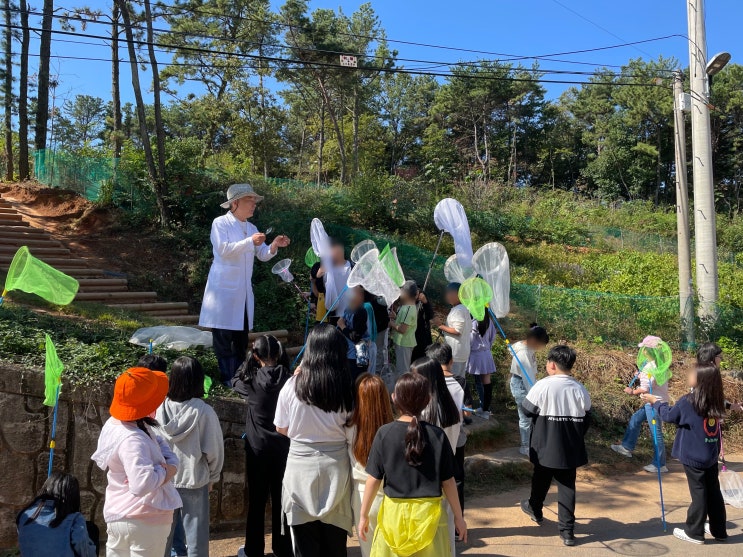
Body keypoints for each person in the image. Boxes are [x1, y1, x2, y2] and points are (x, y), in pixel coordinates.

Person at [357, 373, 467, 556]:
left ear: (394, 397)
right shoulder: (438, 435)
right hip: (430, 517)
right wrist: (458, 517)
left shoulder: (384, 433)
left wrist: (363, 515)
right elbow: (448, 482)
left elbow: (373, 479)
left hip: (394, 516)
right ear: (427, 400)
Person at [274, 324, 355, 557]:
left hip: (299, 468)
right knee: (335, 547)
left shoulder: (291, 386)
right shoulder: (347, 389)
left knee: (303, 547)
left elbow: (281, 427)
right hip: (336, 468)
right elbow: (352, 428)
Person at [199, 183, 291, 384]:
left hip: (242, 293)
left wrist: (274, 245)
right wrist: (250, 242)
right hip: (223, 292)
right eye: (250, 200)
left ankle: (241, 377)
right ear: (235, 203)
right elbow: (223, 249)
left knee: (240, 339)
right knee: (223, 338)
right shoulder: (220, 223)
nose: (254, 205)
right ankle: (228, 379)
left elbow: (263, 255)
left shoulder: (251, 228)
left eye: (254, 201)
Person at [92, 367, 182, 557]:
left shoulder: (115, 424)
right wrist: (167, 470)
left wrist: (168, 465)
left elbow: (158, 442)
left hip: (118, 514)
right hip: (145, 517)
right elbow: (142, 484)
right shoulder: (133, 438)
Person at [642, 364, 728, 545]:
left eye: (693, 373)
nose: (689, 375)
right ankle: (719, 531)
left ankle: (694, 532)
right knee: (713, 492)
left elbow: (668, 415)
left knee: (699, 492)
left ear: (700, 379)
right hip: (710, 453)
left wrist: (655, 402)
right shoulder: (716, 399)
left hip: (693, 455)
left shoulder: (688, 401)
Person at [520, 346, 591, 547]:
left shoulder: (542, 386)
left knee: (541, 477)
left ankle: (535, 508)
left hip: (545, 446)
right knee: (567, 487)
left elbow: (526, 410)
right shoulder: (579, 388)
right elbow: (587, 415)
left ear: (551, 364)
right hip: (570, 447)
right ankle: (567, 532)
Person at [232, 335, 294, 557]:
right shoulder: (289, 379)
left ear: (256, 356)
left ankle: (254, 549)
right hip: (283, 448)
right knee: (281, 500)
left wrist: (250, 360)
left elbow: (235, 379)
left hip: (257, 448)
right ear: (278, 354)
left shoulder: (251, 381)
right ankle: (283, 547)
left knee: (257, 501)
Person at [156, 357, 224, 557]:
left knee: (163, 537)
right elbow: (214, 450)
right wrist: (213, 477)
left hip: (165, 480)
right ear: (198, 380)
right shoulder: (204, 411)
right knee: (196, 540)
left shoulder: (160, 409)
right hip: (194, 480)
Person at [411, 356, 462, 554]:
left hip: (426, 477)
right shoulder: (449, 406)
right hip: (446, 474)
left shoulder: (423, 412)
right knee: (446, 529)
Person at [345, 374, 394, 557]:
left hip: (362, 494)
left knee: (369, 551)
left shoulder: (349, 426)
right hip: (391, 494)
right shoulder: (393, 429)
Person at [610, 336, 669, 473]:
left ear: (649, 351)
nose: (642, 352)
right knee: (636, 419)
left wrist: (632, 391)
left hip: (652, 403)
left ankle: (660, 464)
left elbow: (645, 388)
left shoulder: (649, 367)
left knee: (656, 433)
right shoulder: (661, 364)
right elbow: (653, 381)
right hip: (659, 401)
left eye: (644, 349)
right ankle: (627, 447)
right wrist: (641, 374)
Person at [426, 343, 468, 517]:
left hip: (432, 440)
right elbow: (466, 412)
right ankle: (458, 520)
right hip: (456, 437)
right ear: (451, 361)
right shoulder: (460, 381)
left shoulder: (425, 382)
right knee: (456, 478)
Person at [16, 472, 97, 557]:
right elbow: (85, 550)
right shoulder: (74, 519)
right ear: (72, 496)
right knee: (92, 529)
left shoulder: (23, 515)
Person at [509, 323, 550, 456]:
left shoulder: (527, 347)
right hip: (522, 385)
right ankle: (525, 446)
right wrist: (535, 394)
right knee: (525, 417)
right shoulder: (523, 353)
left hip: (527, 383)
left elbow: (532, 374)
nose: (540, 348)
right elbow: (528, 378)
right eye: (540, 344)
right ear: (533, 340)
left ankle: (530, 442)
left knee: (531, 417)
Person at [338, 286, 376, 380]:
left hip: (359, 353)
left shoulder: (362, 312)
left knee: (358, 378)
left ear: (362, 296)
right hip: (349, 351)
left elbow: (355, 337)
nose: (351, 293)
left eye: (355, 291)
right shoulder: (349, 309)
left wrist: (342, 326)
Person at [436, 283, 472, 378]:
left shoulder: (459, 310)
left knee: (454, 380)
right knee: (460, 381)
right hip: (461, 352)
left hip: (455, 353)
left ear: (456, 294)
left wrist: (440, 325)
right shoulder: (462, 308)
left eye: (448, 293)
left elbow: (457, 331)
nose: (446, 295)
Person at [697, 342, 742, 413]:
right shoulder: (708, 375)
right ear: (712, 357)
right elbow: (707, 401)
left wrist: (730, 406)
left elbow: (714, 399)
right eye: (720, 357)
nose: (721, 360)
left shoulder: (700, 373)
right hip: (706, 420)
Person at [467, 313, 497, 418]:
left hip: (476, 355)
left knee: (479, 382)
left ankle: (484, 408)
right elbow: (493, 337)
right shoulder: (489, 321)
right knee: (487, 383)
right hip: (487, 354)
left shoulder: (474, 322)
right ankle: (486, 409)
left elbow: (470, 340)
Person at [390, 281, 418, 380]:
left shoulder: (408, 309)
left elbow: (402, 329)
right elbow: (403, 322)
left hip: (404, 344)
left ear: (406, 294)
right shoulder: (407, 307)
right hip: (403, 343)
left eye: (401, 291)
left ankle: (404, 391)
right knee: (401, 367)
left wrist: (391, 323)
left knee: (403, 371)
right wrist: (395, 317)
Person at [365, 290, 391, 374]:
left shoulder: (379, 299)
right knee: (376, 350)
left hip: (379, 328)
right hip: (376, 327)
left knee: (378, 350)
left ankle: (377, 372)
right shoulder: (374, 299)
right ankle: (375, 371)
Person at [411, 289, 434, 362]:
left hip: (422, 338)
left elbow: (430, 315)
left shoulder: (423, 304)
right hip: (412, 336)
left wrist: (425, 302)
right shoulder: (410, 303)